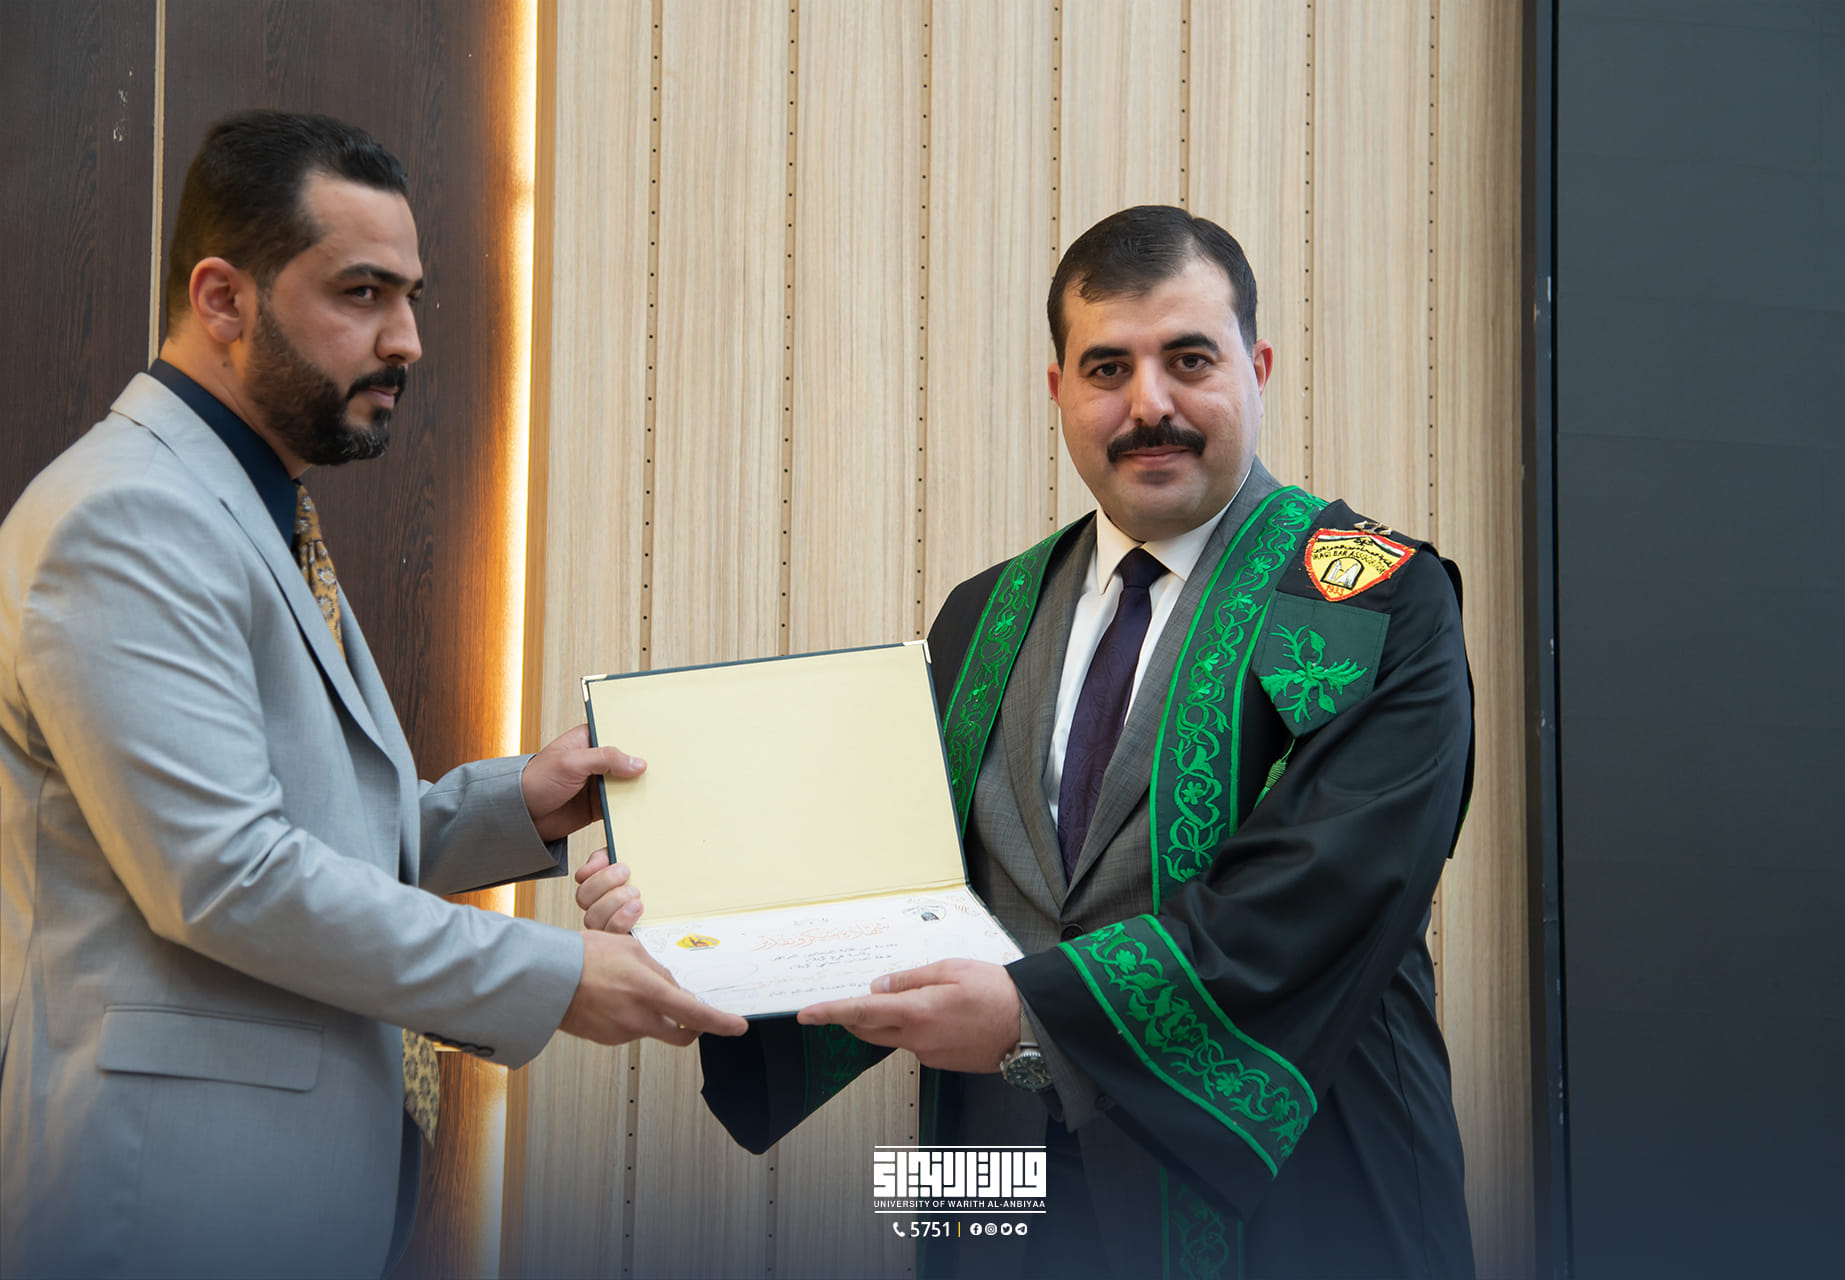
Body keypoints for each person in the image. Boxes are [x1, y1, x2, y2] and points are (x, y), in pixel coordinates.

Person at [582, 205, 1477, 1278]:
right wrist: (692, 923)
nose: (1149, 404)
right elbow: (886, 878)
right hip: (1001, 1189)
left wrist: (1032, 1016)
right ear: (1058, 390)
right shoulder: (983, 614)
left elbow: (1324, 891)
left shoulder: (1372, 597)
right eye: (1108, 368)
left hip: (1298, 1195)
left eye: (1190, 359)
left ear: (1259, 367)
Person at [0, 110, 746, 1280]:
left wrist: (520, 804)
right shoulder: (129, 515)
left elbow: (316, 835)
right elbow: (227, 874)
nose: (406, 339)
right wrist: (552, 976)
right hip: (164, 1200)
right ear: (222, 299)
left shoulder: (250, 501)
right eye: (361, 293)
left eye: (410, 296)